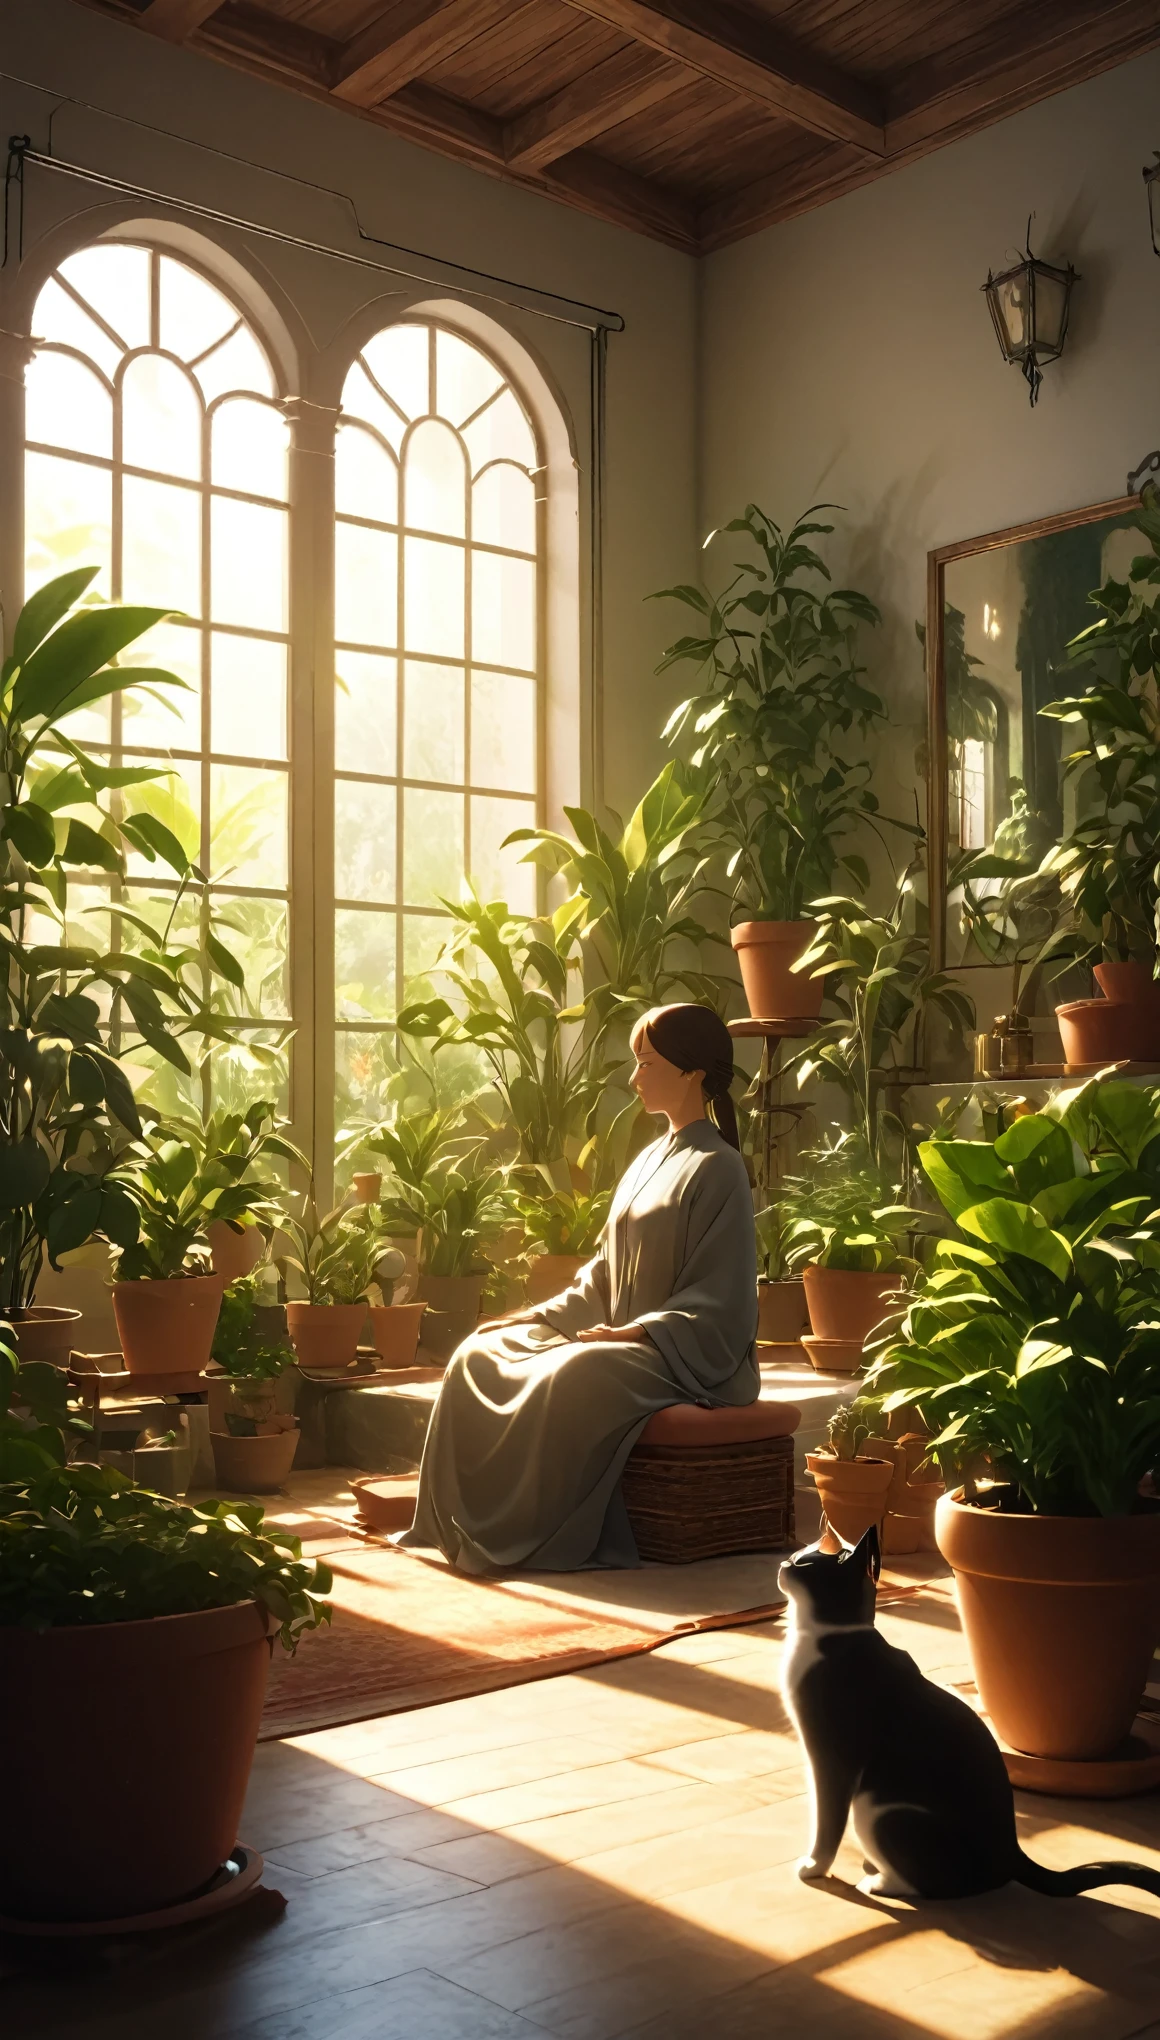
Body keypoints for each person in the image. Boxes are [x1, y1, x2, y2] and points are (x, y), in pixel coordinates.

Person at [398, 1002, 760, 1573]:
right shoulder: (646, 1160)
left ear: (690, 1072)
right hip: (611, 1334)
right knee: (478, 1354)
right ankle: (458, 1523)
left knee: (571, 1373)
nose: (633, 1077)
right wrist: (537, 1318)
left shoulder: (720, 1167)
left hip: (675, 1355)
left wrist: (633, 1332)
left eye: (646, 1063)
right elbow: (603, 1273)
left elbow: (722, 1300)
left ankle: (521, 1532)